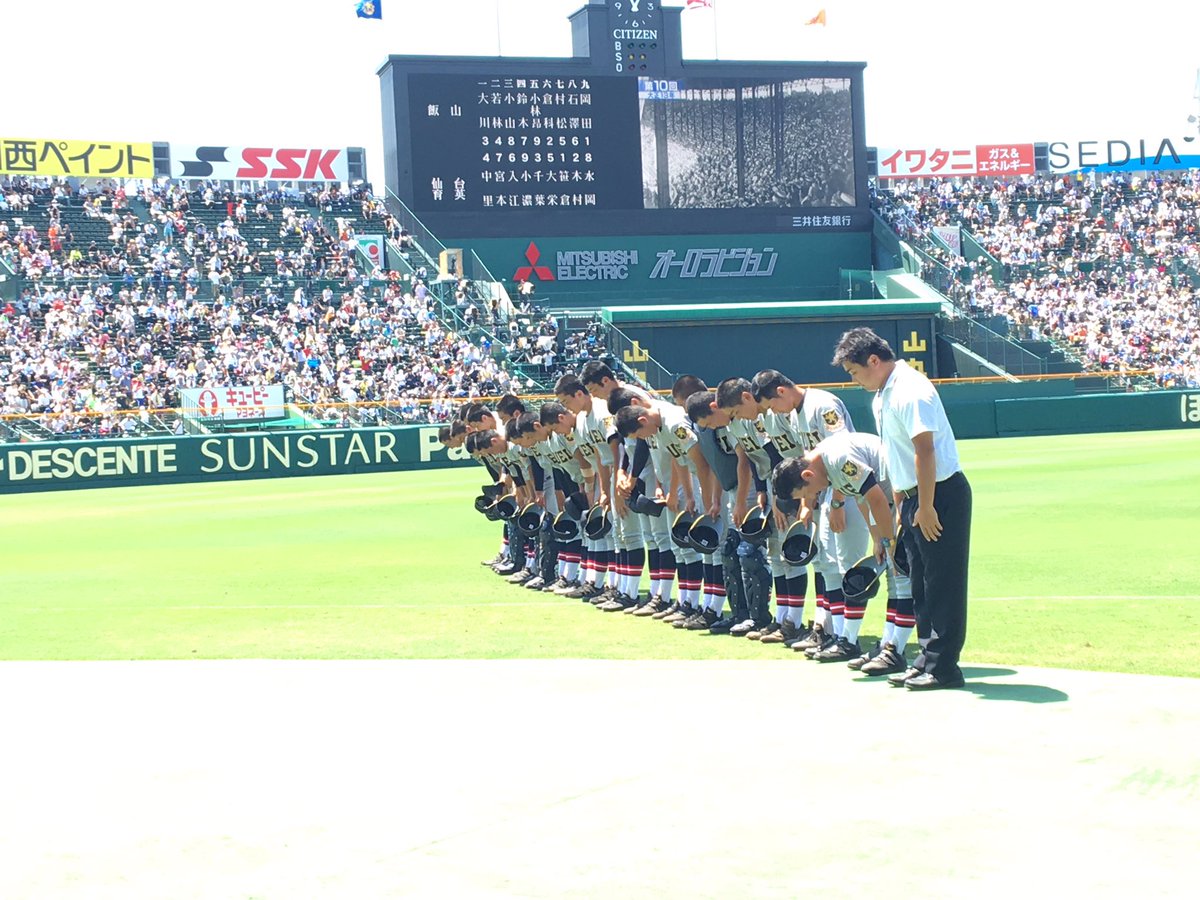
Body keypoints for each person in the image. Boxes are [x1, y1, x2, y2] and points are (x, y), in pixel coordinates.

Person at [832, 327, 973, 691]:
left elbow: (924, 450)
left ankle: (944, 667)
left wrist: (925, 507)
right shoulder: (883, 394)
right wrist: (902, 505)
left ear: (874, 361)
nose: (854, 379)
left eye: (855, 371)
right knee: (921, 582)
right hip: (913, 496)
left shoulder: (910, 389)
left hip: (938, 494)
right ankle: (925, 659)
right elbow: (896, 456)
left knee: (943, 582)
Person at [771, 431, 915, 677]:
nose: (811, 498)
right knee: (894, 575)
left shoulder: (838, 459)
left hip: (907, 495)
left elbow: (877, 498)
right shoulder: (826, 468)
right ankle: (888, 646)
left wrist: (889, 539)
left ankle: (895, 650)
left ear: (807, 475)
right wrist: (876, 537)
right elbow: (862, 500)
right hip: (892, 500)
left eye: (806, 493)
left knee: (900, 576)